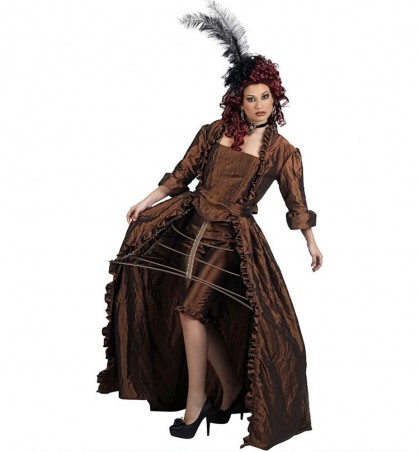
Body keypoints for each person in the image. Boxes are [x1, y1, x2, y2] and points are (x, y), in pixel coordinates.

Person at [96, 2, 323, 450]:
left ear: (276, 97)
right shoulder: (212, 131)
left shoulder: (283, 152)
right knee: (190, 310)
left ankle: (197, 402)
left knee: (190, 309)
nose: (259, 105)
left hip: (229, 239)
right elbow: (182, 174)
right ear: (238, 100)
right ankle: (230, 387)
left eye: (266, 96)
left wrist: (311, 242)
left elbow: (296, 202)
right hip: (190, 226)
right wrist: (146, 201)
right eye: (251, 98)